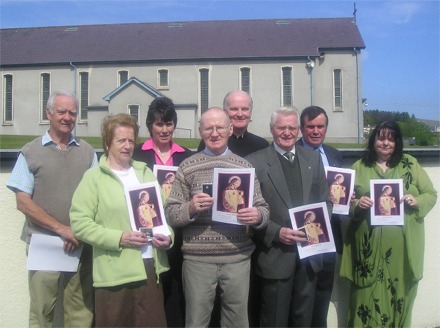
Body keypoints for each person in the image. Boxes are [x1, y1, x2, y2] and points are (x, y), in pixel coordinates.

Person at [165, 107, 270, 328]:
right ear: (200, 131)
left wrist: (257, 215)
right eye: (208, 128)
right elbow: (171, 213)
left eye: (220, 127)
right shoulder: (187, 167)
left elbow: (263, 210)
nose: (215, 133)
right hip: (197, 261)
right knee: (196, 322)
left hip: (237, 259)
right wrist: (191, 208)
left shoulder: (244, 167)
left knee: (237, 321)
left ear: (230, 129)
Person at [70, 113, 172, 327]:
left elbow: (163, 214)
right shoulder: (94, 178)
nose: (127, 146)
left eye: (131, 140)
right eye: (121, 140)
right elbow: (80, 223)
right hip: (114, 274)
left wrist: (168, 237)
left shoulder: (145, 173)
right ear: (107, 143)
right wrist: (119, 238)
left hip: (149, 269)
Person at [6, 91, 96, 327]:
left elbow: (97, 196)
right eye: (61, 112)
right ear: (48, 114)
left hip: (80, 244)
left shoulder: (88, 153)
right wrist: (61, 229)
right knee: (42, 311)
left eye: (72, 113)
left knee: (80, 312)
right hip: (44, 244)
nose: (67, 117)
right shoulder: (30, 152)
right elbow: (22, 202)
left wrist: (76, 231)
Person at [340, 120, 437, 327]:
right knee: (365, 296)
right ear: (373, 140)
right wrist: (357, 204)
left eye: (391, 139)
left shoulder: (410, 164)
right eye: (381, 138)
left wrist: (416, 201)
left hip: (401, 250)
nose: (386, 143)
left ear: (397, 142)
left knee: (398, 294)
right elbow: (345, 202)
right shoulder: (359, 166)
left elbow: (431, 193)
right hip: (366, 250)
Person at [246, 106, 332, 327]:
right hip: (275, 255)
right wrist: (275, 232)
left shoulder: (313, 159)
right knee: (273, 320)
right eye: (281, 127)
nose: (287, 132)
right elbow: (247, 213)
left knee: (303, 320)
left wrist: (317, 225)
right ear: (272, 129)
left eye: (292, 128)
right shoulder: (254, 162)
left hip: (309, 256)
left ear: (298, 130)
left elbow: (326, 202)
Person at [132, 96, 192, 327]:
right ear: (150, 126)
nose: (165, 129)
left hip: (179, 235)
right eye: (159, 124)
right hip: (148, 234)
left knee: (177, 295)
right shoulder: (137, 155)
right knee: (151, 294)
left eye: (168, 123)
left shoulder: (186, 156)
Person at [296, 105, 344, 327]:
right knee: (301, 299)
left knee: (323, 294)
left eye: (320, 126)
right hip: (302, 237)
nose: (315, 131)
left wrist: (347, 196)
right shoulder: (291, 152)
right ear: (301, 128)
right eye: (310, 126)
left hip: (331, 235)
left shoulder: (334, 154)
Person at [197, 90, 269, 157]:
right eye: (234, 109)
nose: (240, 114)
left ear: (251, 112)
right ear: (224, 111)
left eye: (244, 109)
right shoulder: (211, 143)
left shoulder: (261, 146)